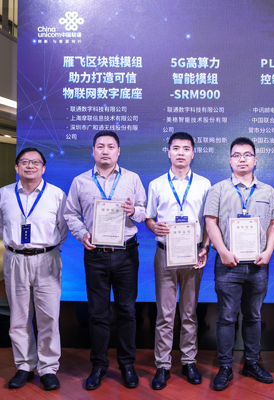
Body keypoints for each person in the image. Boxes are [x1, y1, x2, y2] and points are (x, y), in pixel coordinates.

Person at [64, 131, 147, 390]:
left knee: (127, 311)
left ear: (118, 151)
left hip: (126, 253)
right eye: (100, 146)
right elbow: (70, 214)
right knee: (98, 313)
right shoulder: (80, 181)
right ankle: (99, 365)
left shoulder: (132, 178)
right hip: (96, 254)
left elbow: (145, 211)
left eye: (111, 146)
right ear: (93, 151)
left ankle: (127, 364)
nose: (105, 151)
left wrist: (134, 211)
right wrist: (82, 234)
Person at [204, 137, 274, 391]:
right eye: (236, 155)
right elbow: (210, 222)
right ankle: (225, 366)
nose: (242, 159)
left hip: (259, 264)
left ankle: (251, 362)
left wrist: (269, 251)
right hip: (228, 263)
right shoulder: (218, 190)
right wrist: (223, 251)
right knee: (226, 317)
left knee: (254, 316)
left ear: (255, 160)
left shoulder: (268, 191)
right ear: (230, 160)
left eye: (247, 155)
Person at [145, 132, 211, 390]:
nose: (181, 152)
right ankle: (162, 365)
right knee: (165, 313)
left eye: (186, 148)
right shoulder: (156, 184)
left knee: (189, 312)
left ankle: (189, 361)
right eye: (176, 148)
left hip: (193, 254)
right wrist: (154, 227)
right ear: (168, 152)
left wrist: (205, 247)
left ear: (193, 153)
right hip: (165, 253)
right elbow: (149, 217)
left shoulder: (204, 184)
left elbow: (209, 221)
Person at [0, 148, 68, 391]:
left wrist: (47, 249)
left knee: (49, 316)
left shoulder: (56, 195)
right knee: (18, 316)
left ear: (43, 168)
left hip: (47, 258)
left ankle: (48, 368)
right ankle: (25, 366)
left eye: (35, 162)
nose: (30, 166)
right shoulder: (4, 194)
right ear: (16, 167)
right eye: (25, 162)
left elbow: (63, 228)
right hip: (15, 259)